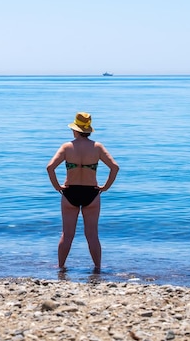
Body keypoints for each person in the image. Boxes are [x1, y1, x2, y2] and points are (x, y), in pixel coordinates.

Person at [46, 112, 119, 273]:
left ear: (75, 130)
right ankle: (98, 268)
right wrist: (105, 187)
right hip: (91, 193)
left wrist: (57, 186)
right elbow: (115, 167)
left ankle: (61, 268)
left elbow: (50, 168)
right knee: (92, 234)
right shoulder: (97, 147)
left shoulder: (67, 147)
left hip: (70, 192)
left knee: (67, 234)